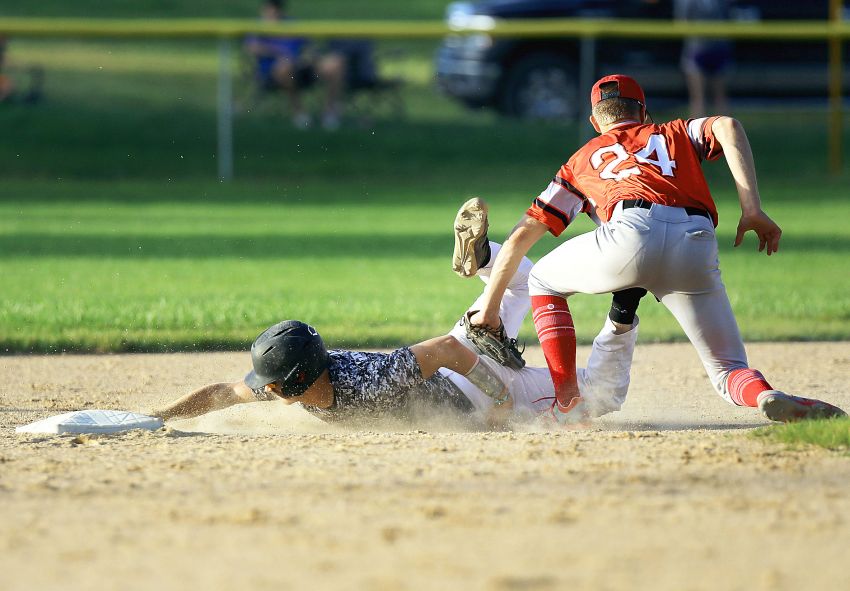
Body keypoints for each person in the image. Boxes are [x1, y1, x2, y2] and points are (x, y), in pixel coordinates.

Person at [469, 74, 846, 426]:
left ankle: (567, 401)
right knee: (728, 368)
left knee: (542, 279)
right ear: (643, 112)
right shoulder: (674, 132)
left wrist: (490, 307)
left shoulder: (582, 160)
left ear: (595, 122)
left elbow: (522, 235)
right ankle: (765, 395)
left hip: (629, 233)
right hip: (696, 241)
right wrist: (752, 208)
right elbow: (728, 126)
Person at [152, 199, 642, 426]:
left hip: (477, 380)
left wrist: (498, 403)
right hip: (463, 352)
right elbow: (224, 392)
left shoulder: (370, 382)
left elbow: (446, 351)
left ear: (291, 384)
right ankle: (486, 258)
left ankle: (621, 313)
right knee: (524, 281)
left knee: (595, 400)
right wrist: (160, 416)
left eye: (271, 384)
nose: (264, 387)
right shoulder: (296, 376)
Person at [244, 0, 345, 129]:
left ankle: (329, 114)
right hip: (273, 73)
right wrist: (278, 54)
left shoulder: (291, 23)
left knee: (335, 62)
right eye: (270, 8)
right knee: (284, 67)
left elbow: (308, 46)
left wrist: (310, 56)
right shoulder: (257, 27)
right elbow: (251, 47)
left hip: (300, 67)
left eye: (276, 8)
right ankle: (299, 114)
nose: (273, 12)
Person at [675, 0, 733, 117]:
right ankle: (698, 134)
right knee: (699, 98)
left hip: (716, 48)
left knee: (718, 97)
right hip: (697, 48)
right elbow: (682, 21)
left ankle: (723, 133)